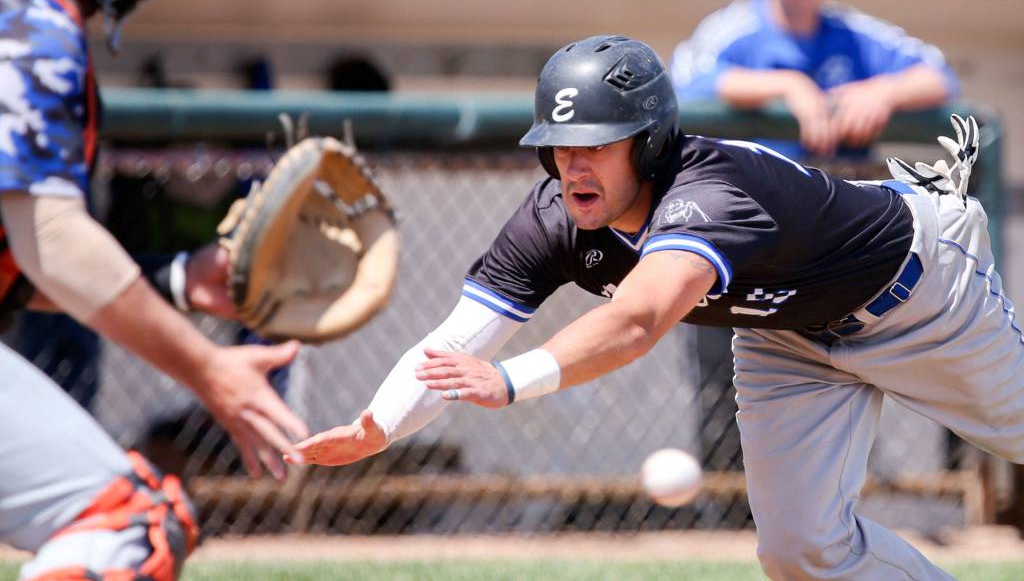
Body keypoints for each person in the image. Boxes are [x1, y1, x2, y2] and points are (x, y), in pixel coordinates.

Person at [293, 35, 1020, 580]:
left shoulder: (709, 192)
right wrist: (381, 424)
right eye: (558, 146)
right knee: (801, 549)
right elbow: (458, 338)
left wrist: (512, 380)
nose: (572, 164)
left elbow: (638, 320)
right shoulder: (554, 219)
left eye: (596, 144)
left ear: (648, 141)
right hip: (786, 334)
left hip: (920, 291)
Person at [0, 0, 308, 578]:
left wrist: (178, 279)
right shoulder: (26, 14)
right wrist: (211, 371)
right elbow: (51, 241)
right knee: (131, 518)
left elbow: (20, 268)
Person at [671, 0, 959, 159]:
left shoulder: (851, 31)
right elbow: (685, 82)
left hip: (841, 192)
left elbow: (939, 76)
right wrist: (788, 85)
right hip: (752, 201)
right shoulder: (736, 26)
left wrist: (884, 92)